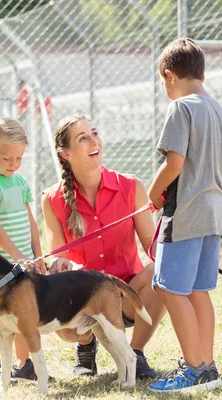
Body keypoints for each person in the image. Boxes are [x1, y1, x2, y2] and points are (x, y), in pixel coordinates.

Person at [41, 114, 166, 380]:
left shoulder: (131, 186)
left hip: (127, 294)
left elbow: (153, 246)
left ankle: (136, 352)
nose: (93, 141)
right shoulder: (52, 199)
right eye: (82, 138)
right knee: (64, 327)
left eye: (94, 133)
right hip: (85, 299)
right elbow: (59, 259)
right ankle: (86, 346)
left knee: (163, 268)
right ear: (65, 154)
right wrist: (62, 267)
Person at [146, 38, 222, 392]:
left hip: (185, 214)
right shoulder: (217, 109)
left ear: (169, 76)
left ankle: (194, 370)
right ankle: (207, 367)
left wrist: (153, 194)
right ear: (202, 72)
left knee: (167, 287)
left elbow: (175, 163)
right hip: (214, 213)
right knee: (198, 290)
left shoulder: (180, 108)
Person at [0, 118, 46, 389]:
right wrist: (16, 255)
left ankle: (23, 365)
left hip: (25, 261)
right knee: (2, 318)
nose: (13, 164)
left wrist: (37, 256)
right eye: (7, 158)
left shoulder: (19, 181)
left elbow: (30, 222)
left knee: (25, 314)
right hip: (1, 266)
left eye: (19, 158)